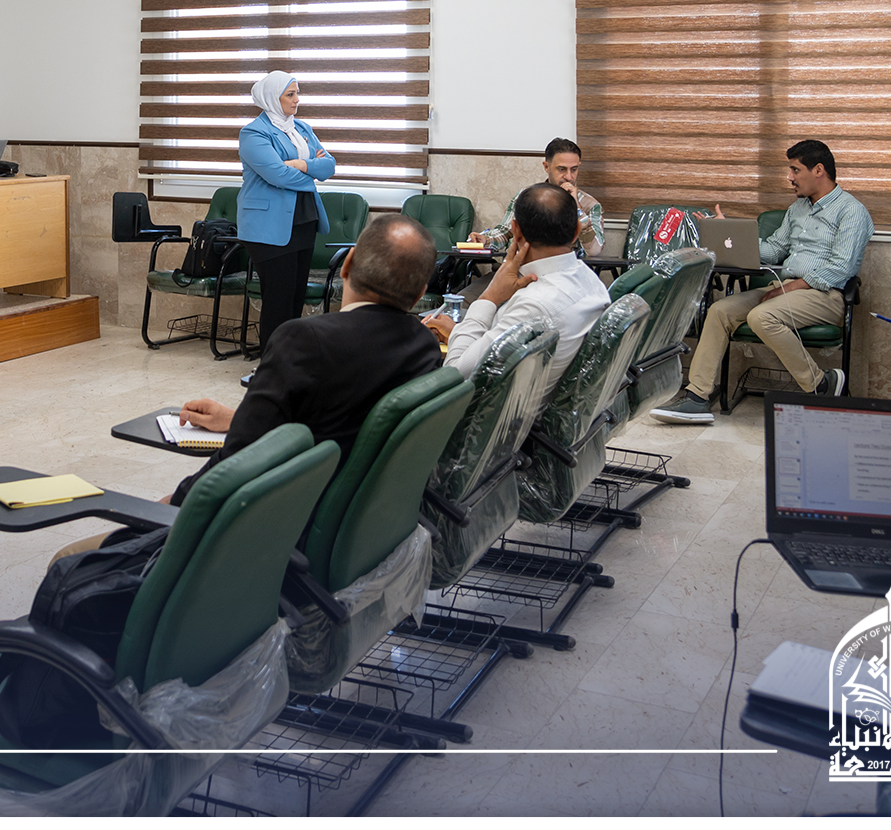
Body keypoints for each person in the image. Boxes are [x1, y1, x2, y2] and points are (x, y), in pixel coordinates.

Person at [172, 215, 443, 506]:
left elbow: (235, 462)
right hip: (359, 516)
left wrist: (176, 502)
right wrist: (238, 419)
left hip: (286, 516)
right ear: (420, 294)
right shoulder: (425, 346)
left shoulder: (303, 339)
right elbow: (346, 427)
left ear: (347, 263)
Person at [652, 139, 872, 423]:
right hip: (783, 288)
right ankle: (697, 397)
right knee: (719, 311)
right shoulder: (798, 209)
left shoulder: (851, 211)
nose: (790, 177)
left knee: (762, 316)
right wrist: (728, 233)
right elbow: (773, 250)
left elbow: (842, 267)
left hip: (825, 295)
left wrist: (790, 287)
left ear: (818, 170)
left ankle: (820, 384)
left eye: (795, 170)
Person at [425, 181, 610, 387]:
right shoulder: (592, 282)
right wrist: (457, 334)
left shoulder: (532, 306)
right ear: (576, 231)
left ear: (516, 232)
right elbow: (496, 347)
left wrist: (489, 297)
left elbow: (456, 374)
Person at [237, 70, 335, 350]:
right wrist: (311, 169)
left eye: (297, 93)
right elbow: (278, 175)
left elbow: (329, 166)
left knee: (295, 298)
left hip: (304, 219)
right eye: (290, 94)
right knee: (278, 299)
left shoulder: (301, 128)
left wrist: (301, 164)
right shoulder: (253, 133)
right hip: (267, 226)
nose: (297, 100)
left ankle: (289, 361)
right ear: (272, 98)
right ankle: (271, 364)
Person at [471, 137, 605, 254]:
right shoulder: (527, 196)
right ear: (546, 167)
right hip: (523, 266)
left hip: (565, 269)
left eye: (574, 170)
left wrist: (577, 208)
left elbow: (594, 251)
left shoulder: (590, 205)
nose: (569, 177)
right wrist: (486, 240)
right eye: (562, 169)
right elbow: (505, 232)